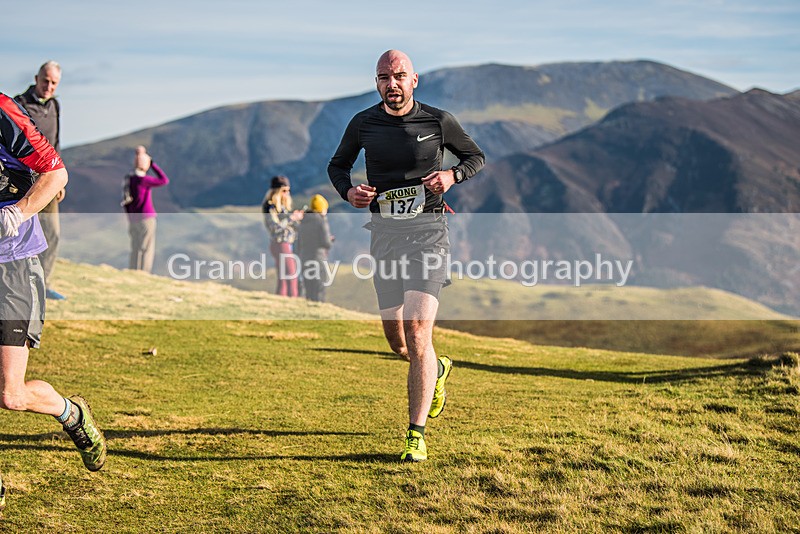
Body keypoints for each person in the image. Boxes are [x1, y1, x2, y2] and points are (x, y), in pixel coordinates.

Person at [328, 50, 485, 461]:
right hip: (384, 237)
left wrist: (452, 174)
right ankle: (439, 368)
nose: (391, 84)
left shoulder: (437, 121)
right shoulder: (363, 123)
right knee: (399, 342)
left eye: (399, 76)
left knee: (418, 332)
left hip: (429, 234)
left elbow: (475, 157)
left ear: (415, 80)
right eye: (384, 77)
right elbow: (337, 165)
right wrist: (349, 191)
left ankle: (415, 435)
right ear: (377, 82)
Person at [0, 93, 107, 509]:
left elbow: (55, 173)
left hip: (13, 264)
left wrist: (18, 213)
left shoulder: (4, 111)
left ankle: (72, 414)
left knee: (10, 395)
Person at [14, 61, 67, 301]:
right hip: (24, 182)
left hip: (49, 181)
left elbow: (55, 144)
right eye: (45, 81)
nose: (49, 86)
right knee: (21, 236)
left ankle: (43, 284)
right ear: (36, 78)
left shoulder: (55, 105)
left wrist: (59, 180)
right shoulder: (18, 104)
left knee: (52, 233)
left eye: (54, 83)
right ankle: (18, 285)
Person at [122, 145, 169, 272]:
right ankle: (143, 273)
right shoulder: (144, 180)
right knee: (146, 249)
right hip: (146, 218)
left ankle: (133, 271)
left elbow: (126, 201)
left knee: (135, 248)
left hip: (133, 220)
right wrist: (152, 164)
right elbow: (164, 180)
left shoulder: (129, 180)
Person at [262, 175, 303, 297]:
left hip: (286, 243)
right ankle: (293, 301)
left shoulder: (283, 208)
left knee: (283, 277)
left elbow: (287, 225)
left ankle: (281, 301)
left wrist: (297, 218)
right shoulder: (270, 207)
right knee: (291, 275)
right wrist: (292, 218)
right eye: (284, 191)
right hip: (280, 243)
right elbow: (275, 228)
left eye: (288, 190)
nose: (287, 194)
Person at [296, 194, 333, 302]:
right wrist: (330, 240)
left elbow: (299, 243)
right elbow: (326, 243)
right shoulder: (321, 220)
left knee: (309, 289)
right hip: (318, 258)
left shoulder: (303, 221)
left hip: (304, 258)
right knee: (319, 289)